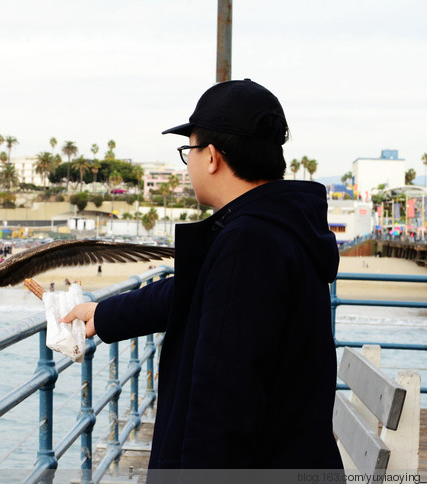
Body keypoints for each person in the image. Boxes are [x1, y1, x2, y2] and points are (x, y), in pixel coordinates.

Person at [62, 79, 342, 471]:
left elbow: (223, 403)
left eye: (188, 150)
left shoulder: (249, 241)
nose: (188, 163)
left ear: (211, 157)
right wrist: (104, 315)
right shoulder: (276, 227)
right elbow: (197, 290)